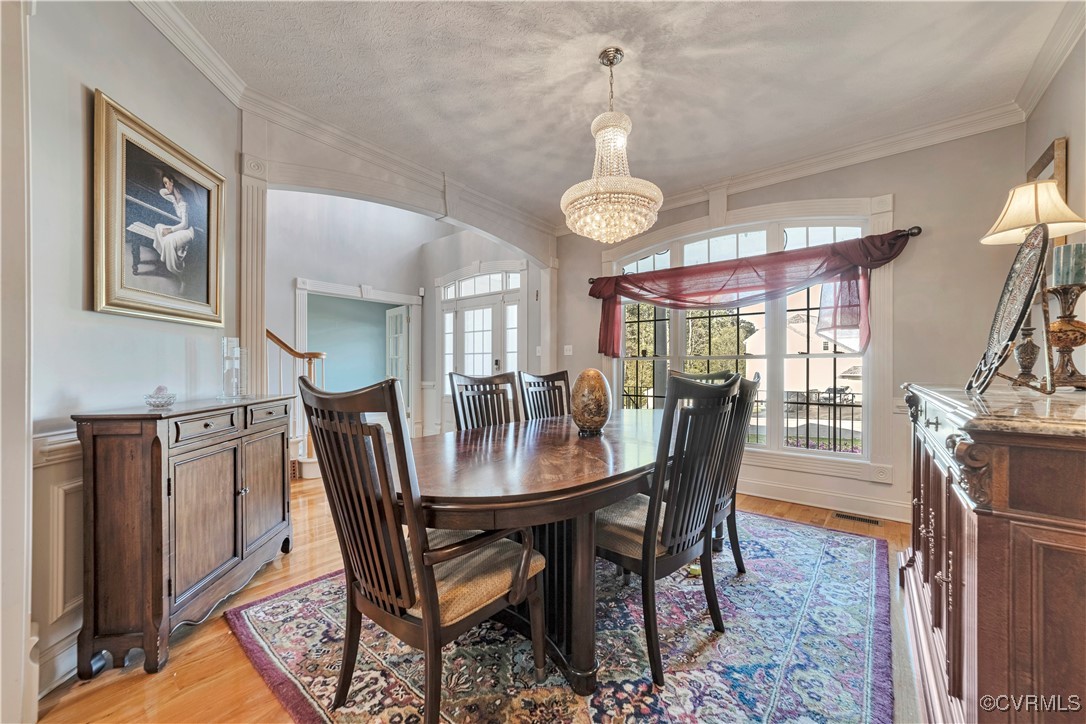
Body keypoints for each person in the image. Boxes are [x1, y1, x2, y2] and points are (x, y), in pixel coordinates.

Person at [153, 171, 195, 276]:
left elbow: (185, 224)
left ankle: (176, 271)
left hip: (189, 230)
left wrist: (170, 230)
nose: (166, 186)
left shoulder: (182, 200)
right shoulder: (174, 197)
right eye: (164, 184)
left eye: (166, 183)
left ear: (172, 181)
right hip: (182, 228)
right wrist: (171, 189)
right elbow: (162, 192)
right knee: (158, 227)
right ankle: (165, 259)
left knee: (168, 240)